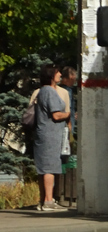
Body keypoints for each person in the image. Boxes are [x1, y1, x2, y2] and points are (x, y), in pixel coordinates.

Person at [33, 64, 71, 211]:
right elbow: (56, 114)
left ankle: (44, 200)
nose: (60, 74)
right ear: (51, 75)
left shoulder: (42, 91)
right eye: (57, 72)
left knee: (43, 168)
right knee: (49, 167)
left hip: (44, 133)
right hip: (50, 134)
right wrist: (70, 115)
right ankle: (49, 201)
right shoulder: (49, 91)